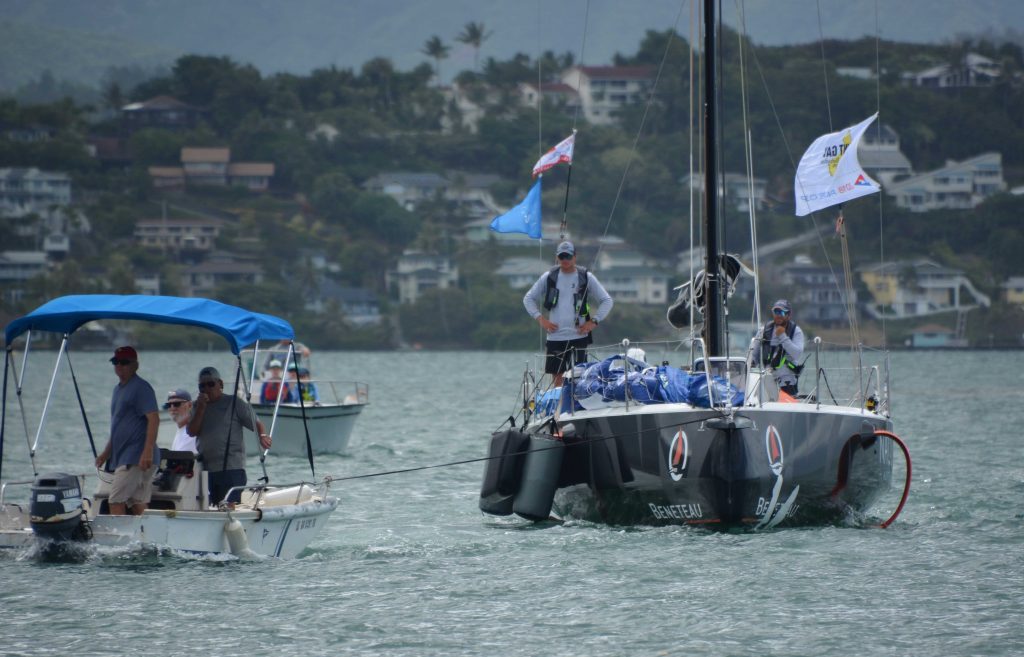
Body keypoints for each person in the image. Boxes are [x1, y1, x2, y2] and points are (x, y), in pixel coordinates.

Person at [524, 240, 614, 387]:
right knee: (557, 378)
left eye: (568, 256)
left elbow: (607, 300)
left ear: (575, 256)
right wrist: (541, 319)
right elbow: (528, 299)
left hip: (579, 336)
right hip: (555, 336)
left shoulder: (586, 277)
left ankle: (576, 406)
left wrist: (594, 321)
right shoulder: (549, 277)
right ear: (557, 257)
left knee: (578, 377)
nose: (565, 260)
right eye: (562, 256)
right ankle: (560, 406)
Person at [187, 366, 272, 507]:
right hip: (206, 468)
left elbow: (256, 422)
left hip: (232, 468)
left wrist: (262, 435)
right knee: (208, 507)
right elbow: (192, 431)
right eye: (202, 386)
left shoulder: (234, 403)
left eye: (210, 384)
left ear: (220, 384)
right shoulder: (196, 407)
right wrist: (201, 408)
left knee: (229, 506)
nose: (207, 388)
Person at [94, 346, 160, 516]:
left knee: (116, 500)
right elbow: (118, 429)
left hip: (136, 456)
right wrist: (105, 454)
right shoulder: (117, 390)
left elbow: (154, 418)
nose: (119, 366)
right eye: (116, 362)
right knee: (137, 501)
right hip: (125, 456)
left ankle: (120, 540)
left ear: (135, 365)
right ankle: (149, 538)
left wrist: (147, 452)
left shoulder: (141, 388)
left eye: (124, 362)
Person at [752, 299, 805, 396]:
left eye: (782, 312)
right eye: (776, 312)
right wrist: (750, 364)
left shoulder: (796, 331)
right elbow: (754, 354)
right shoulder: (764, 330)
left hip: (787, 379)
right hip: (767, 377)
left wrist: (782, 336)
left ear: (789, 315)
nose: (778, 315)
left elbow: (797, 354)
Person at [164, 388, 198, 454]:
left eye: (177, 404)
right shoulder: (181, 429)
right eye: (168, 405)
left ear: (190, 405)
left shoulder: (191, 433)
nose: (172, 408)